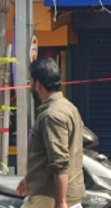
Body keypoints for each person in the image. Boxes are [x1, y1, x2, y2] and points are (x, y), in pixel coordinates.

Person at [16, 58, 85, 208]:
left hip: (48, 198)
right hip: (68, 195)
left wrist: (61, 203)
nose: (29, 86)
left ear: (38, 84)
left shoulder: (52, 116)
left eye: (30, 81)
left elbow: (59, 163)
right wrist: (31, 179)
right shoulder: (69, 107)